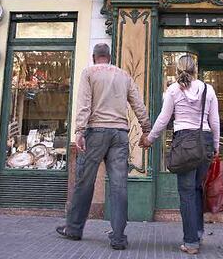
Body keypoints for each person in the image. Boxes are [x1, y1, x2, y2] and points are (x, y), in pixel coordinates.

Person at [56, 43, 151, 250]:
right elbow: (137, 103)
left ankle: (74, 228)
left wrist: (79, 131)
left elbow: (84, 103)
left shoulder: (89, 72)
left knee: (85, 182)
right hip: (120, 134)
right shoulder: (123, 75)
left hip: (96, 132)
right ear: (109, 57)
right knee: (119, 186)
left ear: (93, 57)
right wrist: (146, 127)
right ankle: (118, 237)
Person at [140, 55, 220, 255]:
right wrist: (216, 146)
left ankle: (191, 242)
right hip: (205, 142)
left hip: (184, 142)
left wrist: (150, 138)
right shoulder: (207, 89)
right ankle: (198, 232)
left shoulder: (173, 90)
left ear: (177, 70)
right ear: (196, 69)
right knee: (197, 189)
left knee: (186, 193)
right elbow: (215, 121)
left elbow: (163, 119)